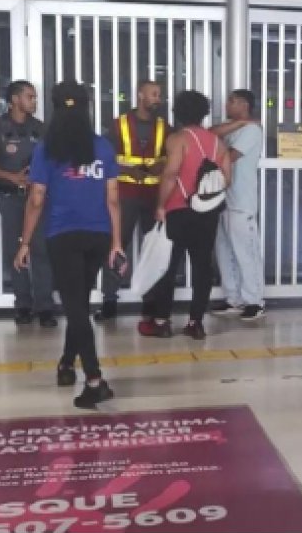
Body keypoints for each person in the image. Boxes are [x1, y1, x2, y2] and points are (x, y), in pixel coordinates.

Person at [14, 81, 125, 409]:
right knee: (79, 304)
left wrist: (24, 243)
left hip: (63, 236)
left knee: (76, 308)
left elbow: (36, 199)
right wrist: (116, 242)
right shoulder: (102, 147)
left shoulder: (46, 149)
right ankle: (65, 364)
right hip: (98, 235)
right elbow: (114, 198)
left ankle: (94, 380)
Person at [141, 90, 228, 339]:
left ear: (177, 112)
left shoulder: (178, 139)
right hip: (208, 213)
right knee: (202, 266)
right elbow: (226, 179)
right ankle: (195, 322)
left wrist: (160, 205)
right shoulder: (217, 143)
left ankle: (162, 321)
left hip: (178, 210)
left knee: (168, 266)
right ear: (204, 113)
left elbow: (170, 175)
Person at [0, 81, 56, 327]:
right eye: (30, 97)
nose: (34, 101)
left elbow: (53, 161)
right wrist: (13, 178)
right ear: (14, 99)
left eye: (34, 97)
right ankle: (23, 305)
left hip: (39, 198)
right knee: (16, 251)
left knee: (41, 250)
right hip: (11, 196)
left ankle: (45, 307)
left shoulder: (41, 129)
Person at [99, 79, 166, 321]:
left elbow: (171, 156)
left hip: (153, 196)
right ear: (140, 96)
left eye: (159, 95)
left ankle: (151, 300)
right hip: (125, 194)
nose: (158, 99)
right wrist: (128, 171)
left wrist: (163, 164)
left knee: (153, 250)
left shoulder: (163, 127)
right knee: (117, 246)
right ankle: (109, 301)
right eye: (154, 94)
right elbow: (105, 157)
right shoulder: (119, 126)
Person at [209, 89, 267, 322]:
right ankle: (233, 298)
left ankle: (254, 301)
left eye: (231, 101)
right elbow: (211, 134)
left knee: (246, 252)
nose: (227, 104)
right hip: (223, 200)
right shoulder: (235, 127)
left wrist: (214, 150)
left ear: (244, 104)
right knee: (225, 252)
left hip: (242, 202)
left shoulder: (252, 130)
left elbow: (228, 156)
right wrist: (236, 123)